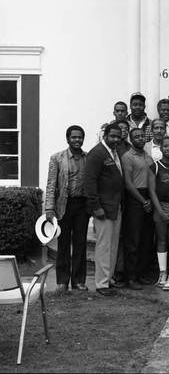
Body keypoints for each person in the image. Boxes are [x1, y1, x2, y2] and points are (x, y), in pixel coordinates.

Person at [45, 125, 89, 293]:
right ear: (68, 139)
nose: (77, 140)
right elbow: (51, 185)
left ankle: (78, 281)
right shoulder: (57, 158)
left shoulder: (88, 158)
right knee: (63, 244)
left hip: (82, 206)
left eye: (80, 137)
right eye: (74, 137)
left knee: (80, 244)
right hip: (63, 206)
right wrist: (49, 208)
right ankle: (62, 281)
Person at [84, 124, 124, 296]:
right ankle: (101, 284)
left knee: (113, 246)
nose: (116, 139)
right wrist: (96, 207)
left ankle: (109, 279)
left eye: (118, 137)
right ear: (105, 135)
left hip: (116, 206)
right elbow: (90, 182)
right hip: (103, 208)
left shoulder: (115, 152)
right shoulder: (97, 153)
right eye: (112, 136)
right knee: (104, 246)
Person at [121, 128, 155, 290]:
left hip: (149, 196)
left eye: (142, 136)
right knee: (133, 239)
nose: (140, 139)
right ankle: (131, 277)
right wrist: (143, 201)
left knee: (145, 239)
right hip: (135, 198)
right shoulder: (127, 157)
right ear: (131, 139)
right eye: (137, 137)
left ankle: (141, 273)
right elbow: (128, 183)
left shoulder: (147, 156)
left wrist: (150, 200)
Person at [148, 137, 169, 291]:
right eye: (165, 146)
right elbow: (152, 191)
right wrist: (160, 211)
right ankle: (163, 273)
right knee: (161, 240)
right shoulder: (154, 166)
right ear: (160, 148)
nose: (168, 149)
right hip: (160, 207)